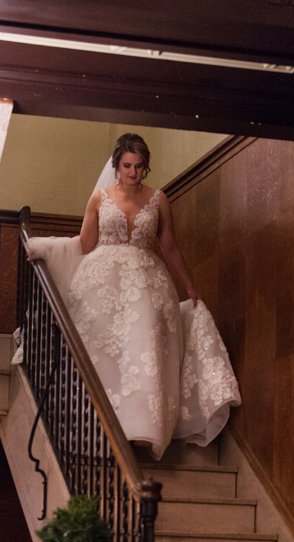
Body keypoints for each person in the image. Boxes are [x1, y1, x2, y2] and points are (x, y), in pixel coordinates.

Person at [35, 132, 240, 459]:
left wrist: (188, 284)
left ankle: (141, 431)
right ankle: (101, 427)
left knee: (144, 351)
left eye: (139, 166)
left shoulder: (159, 199)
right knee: (106, 354)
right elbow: (85, 245)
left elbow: (169, 245)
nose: (133, 172)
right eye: (127, 165)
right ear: (116, 166)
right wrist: (45, 248)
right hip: (102, 282)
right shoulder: (99, 199)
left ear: (146, 168)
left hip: (148, 282)